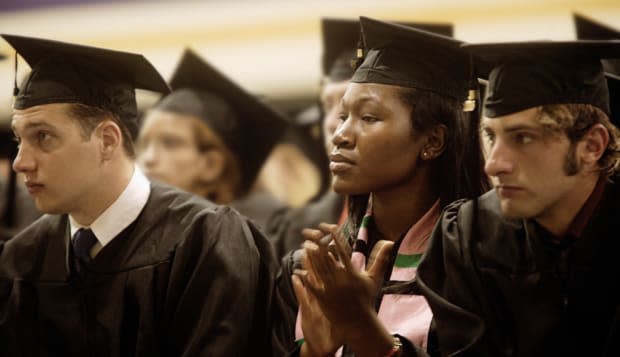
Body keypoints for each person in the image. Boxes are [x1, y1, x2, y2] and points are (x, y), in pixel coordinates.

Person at [0, 34, 278, 356]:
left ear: (107, 141)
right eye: (20, 140)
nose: (21, 162)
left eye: (43, 137)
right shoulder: (22, 260)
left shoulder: (206, 241)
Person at [288, 17, 489, 356]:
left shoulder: (480, 263)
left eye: (368, 118)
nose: (340, 135)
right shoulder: (315, 267)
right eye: (342, 116)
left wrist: (363, 330)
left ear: (433, 141)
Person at [416, 40, 620, 356]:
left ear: (591, 146)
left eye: (523, 138)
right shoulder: (469, 237)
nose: (493, 164)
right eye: (490, 136)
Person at [270, 17, 454, 259]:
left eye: (367, 116)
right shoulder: (302, 243)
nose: (337, 128)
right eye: (334, 109)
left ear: (433, 140)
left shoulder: (479, 252)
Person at [137, 48, 290, 230]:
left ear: (211, 165)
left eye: (170, 143)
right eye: (143, 144)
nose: (148, 158)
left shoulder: (254, 234)